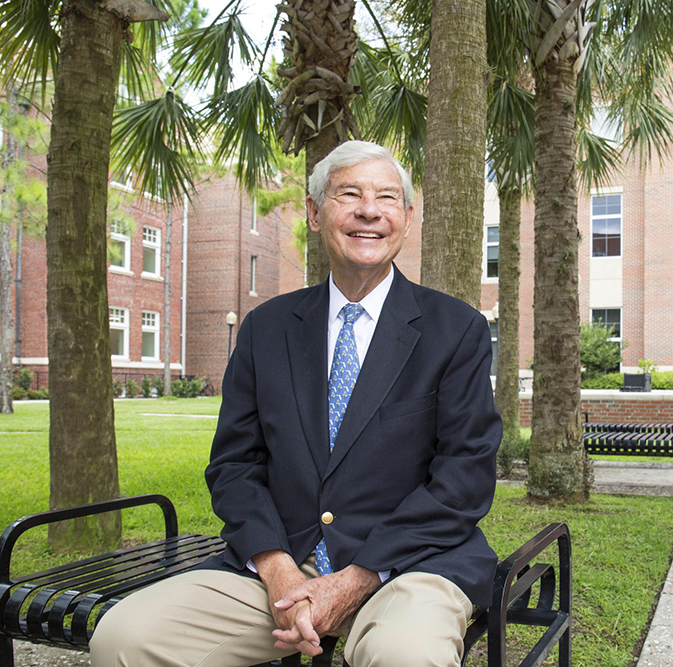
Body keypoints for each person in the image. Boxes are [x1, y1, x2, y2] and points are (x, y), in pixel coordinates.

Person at [91, 140, 502, 666]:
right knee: (124, 638)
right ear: (313, 212)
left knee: (405, 656)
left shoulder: (456, 329)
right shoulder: (267, 328)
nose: (369, 210)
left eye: (387, 197)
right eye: (348, 193)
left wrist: (355, 579)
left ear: (406, 216)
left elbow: (463, 479)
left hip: (411, 567)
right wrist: (275, 565)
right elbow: (235, 465)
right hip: (283, 566)